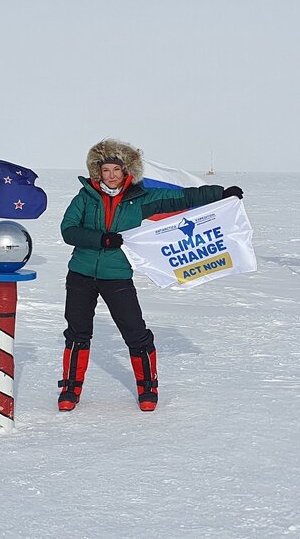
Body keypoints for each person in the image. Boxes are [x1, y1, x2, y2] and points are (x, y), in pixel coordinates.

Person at [58, 138, 243, 412]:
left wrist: (220, 193)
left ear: (126, 171)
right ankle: (71, 388)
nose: (111, 175)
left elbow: (182, 197)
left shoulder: (140, 199)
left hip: (117, 275)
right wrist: (101, 239)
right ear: (98, 171)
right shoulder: (85, 197)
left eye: (116, 170)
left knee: (135, 332)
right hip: (80, 274)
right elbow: (68, 230)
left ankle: (148, 387)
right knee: (77, 333)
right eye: (106, 170)